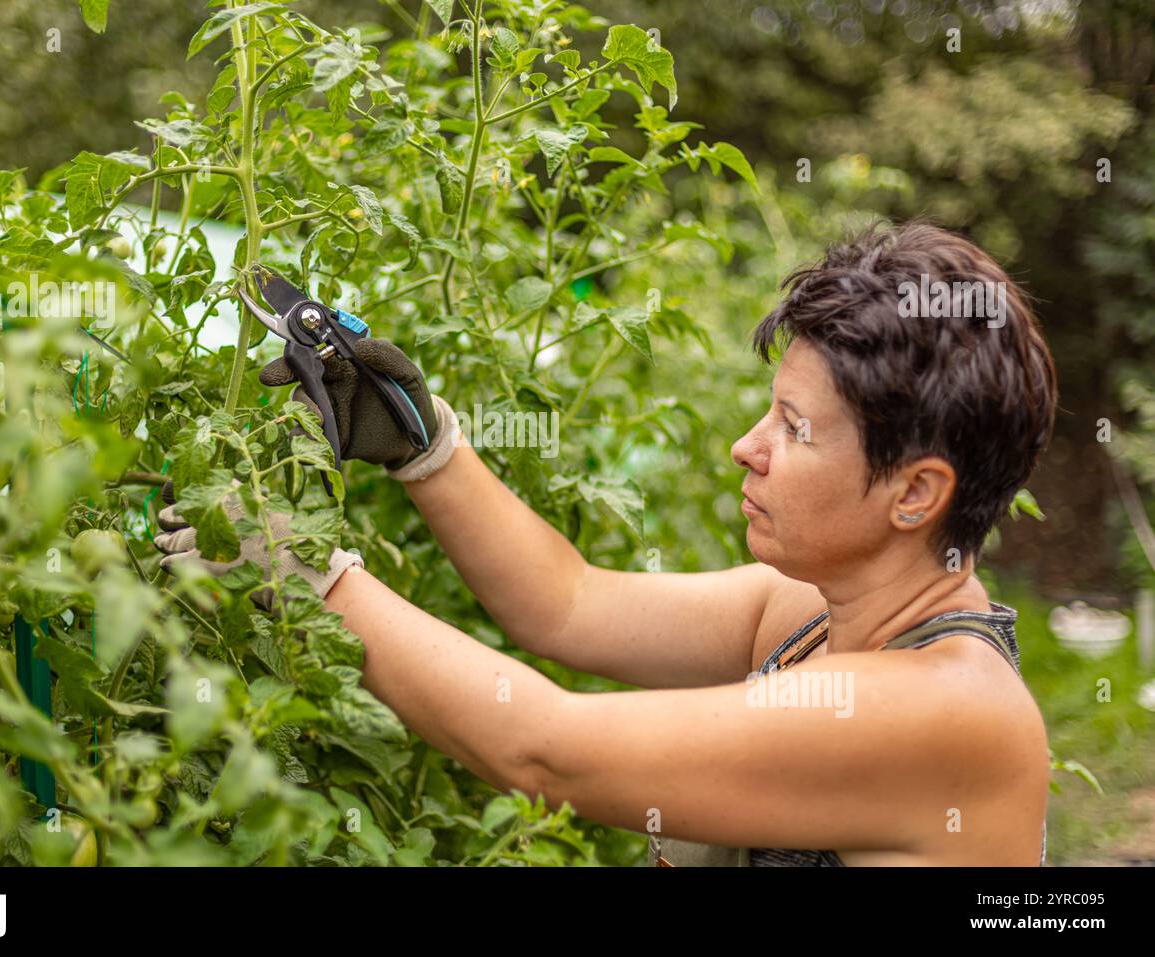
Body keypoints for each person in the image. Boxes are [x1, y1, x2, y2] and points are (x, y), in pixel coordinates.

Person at [154, 220, 1057, 866]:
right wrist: (429, 448)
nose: (747, 446)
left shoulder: (949, 712)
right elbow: (568, 601)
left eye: (794, 427)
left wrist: (314, 580)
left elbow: (545, 746)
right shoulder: (806, 614)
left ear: (917, 493)